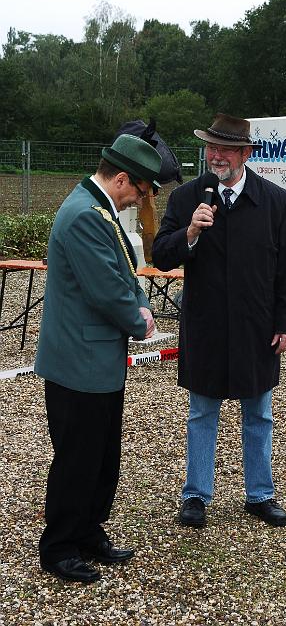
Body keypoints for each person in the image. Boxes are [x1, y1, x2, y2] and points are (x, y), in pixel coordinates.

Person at [152, 113, 286, 529]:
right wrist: (189, 233)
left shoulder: (273, 199)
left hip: (257, 326)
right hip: (207, 325)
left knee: (259, 414)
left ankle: (260, 494)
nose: (216, 156)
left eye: (225, 149)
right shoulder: (187, 197)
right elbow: (160, 256)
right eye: (211, 147)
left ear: (245, 154)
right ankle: (196, 495)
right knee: (202, 413)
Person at [35, 134, 162, 583]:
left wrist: (141, 304)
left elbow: (126, 272)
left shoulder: (97, 209)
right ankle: (59, 547)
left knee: (102, 456)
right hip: (79, 363)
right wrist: (139, 321)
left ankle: (88, 531)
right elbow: (107, 289)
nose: (140, 200)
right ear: (122, 178)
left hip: (96, 360)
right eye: (141, 191)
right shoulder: (84, 217)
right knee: (78, 459)